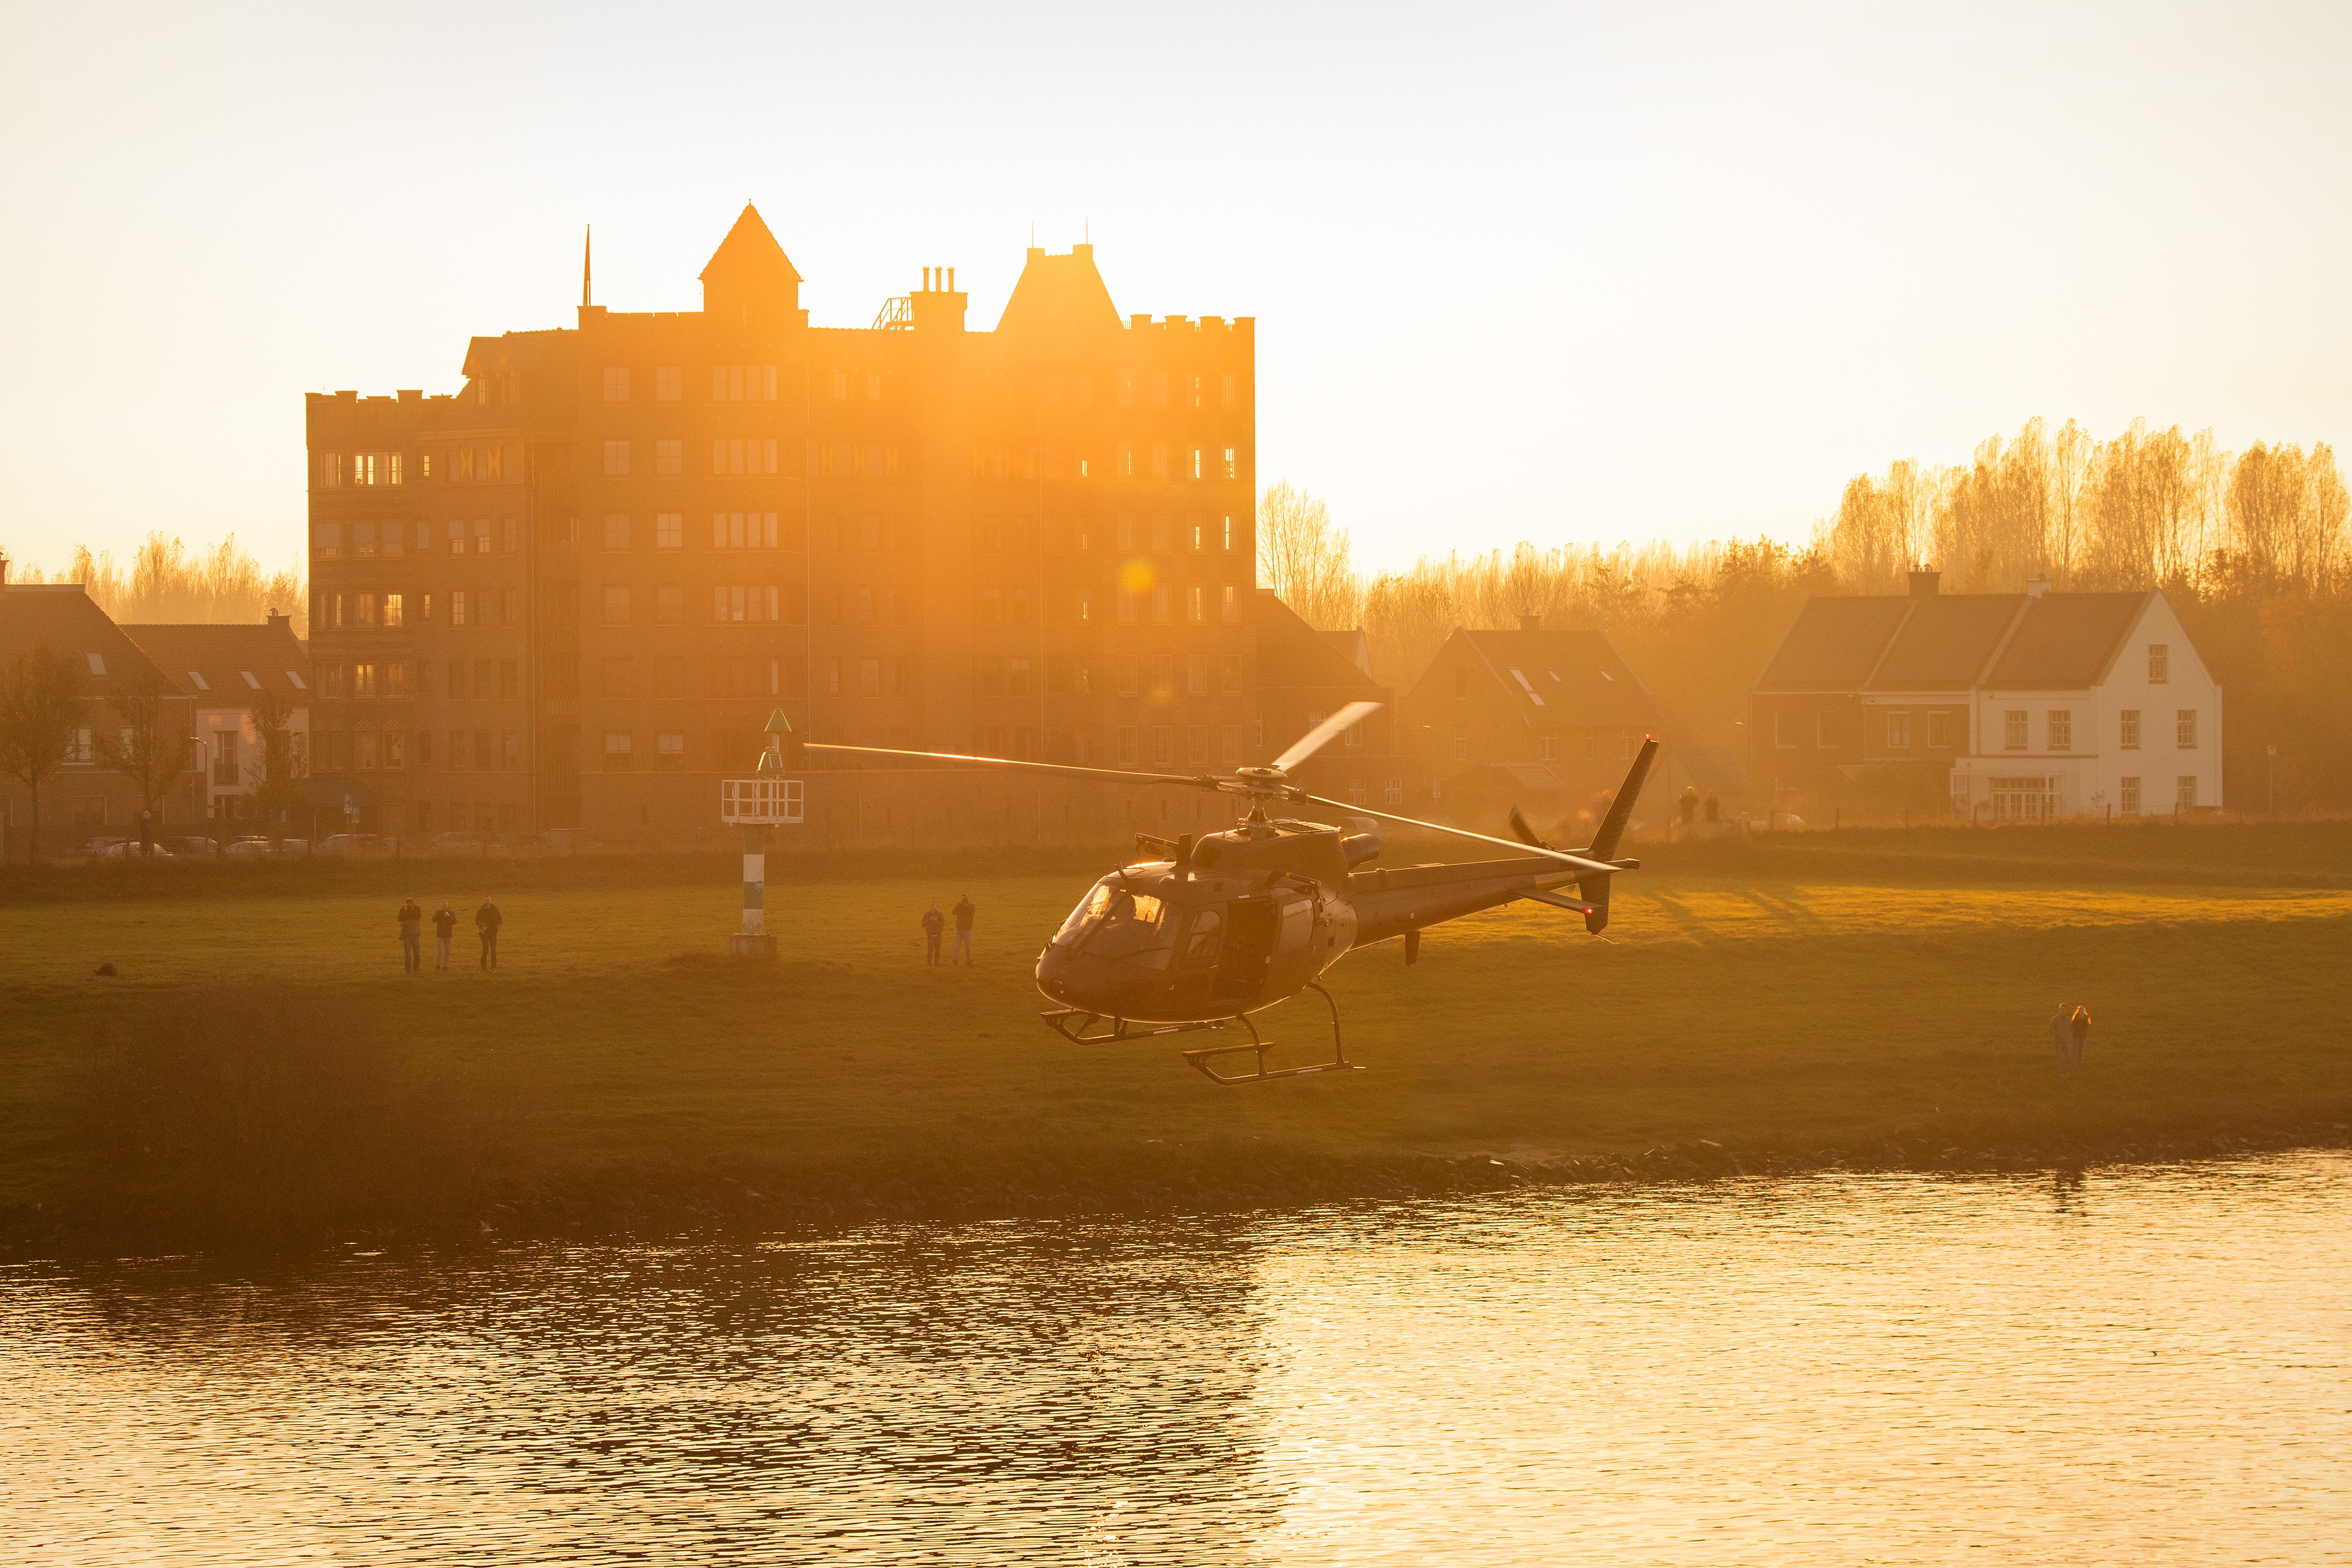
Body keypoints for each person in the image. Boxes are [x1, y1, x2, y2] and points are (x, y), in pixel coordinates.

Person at [397, 897, 423, 975]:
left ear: (413, 903)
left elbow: (418, 916)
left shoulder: (417, 908)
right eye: (407, 904)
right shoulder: (403, 909)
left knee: (417, 954)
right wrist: (405, 910)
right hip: (406, 935)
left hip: (415, 934)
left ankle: (416, 970)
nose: (409, 905)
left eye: (410, 904)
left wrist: (412, 910)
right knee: (408, 954)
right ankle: (408, 971)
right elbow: (399, 918)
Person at [476, 895, 503, 970]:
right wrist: (481, 924)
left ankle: (493, 967)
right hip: (484, 932)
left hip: (493, 932)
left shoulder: (495, 909)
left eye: (488, 900)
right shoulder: (480, 910)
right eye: (486, 901)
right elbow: (477, 921)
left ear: (490, 901)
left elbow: (499, 918)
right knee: (486, 950)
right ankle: (483, 966)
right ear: (483, 901)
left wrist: (499, 924)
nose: (487, 902)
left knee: (493, 950)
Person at [431, 901, 457, 971]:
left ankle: (445, 966)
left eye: (445, 905)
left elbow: (454, 922)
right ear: (441, 906)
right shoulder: (438, 912)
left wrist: (448, 916)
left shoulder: (451, 913)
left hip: (448, 935)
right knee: (440, 951)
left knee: (447, 951)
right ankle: (438, 965)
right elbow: (433, 920)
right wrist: (440, 914)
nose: (444, 907)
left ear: (447, 906)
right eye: (443, 905)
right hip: (440, 935)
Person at [951, 893, 976, 966]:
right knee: (957, 946)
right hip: (959, 929)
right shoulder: (959, 906)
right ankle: (955, 961)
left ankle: (968, 961)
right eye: (962, 898)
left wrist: (966, 905)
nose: (963, 900)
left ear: (967, 899)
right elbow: (954, 912)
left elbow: (972, 912)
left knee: (968, 947)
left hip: (968, 930)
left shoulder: (971, 906)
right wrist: (960, 904)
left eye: (964, 898)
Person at [2049, 1005, 2074, 1074]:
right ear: (2059, 1010)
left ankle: (2067, 1071)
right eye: (2061, 1009)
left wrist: (2069, 1037)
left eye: (2064, 1009)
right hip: (2059, 1041)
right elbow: (2051, 1029)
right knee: (2060, 1057)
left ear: (2066, 1010)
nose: (2062, 1011)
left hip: (2067, 1041)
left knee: (2069, 1056)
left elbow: (2071, 1029)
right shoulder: (2055, 1019)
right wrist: (2058, 1034)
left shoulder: (2068, 1019)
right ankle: (2060, 1072)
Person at [921, 902, 945, 966]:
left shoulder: (940, 914)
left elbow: (943, 923)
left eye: (934, 904)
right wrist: (929, 920)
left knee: (937, 949)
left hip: (938, 934)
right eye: (931, 904)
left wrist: (937, 921)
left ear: (936, 906)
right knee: (930, 949)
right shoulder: (926, 915)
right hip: (930, 934)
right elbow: (923, 924)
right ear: (930, 906)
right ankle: (929, 964)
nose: (933, 906)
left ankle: (936, 963)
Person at [2069, 1005, 2091, 1074]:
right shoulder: (2076, 1017)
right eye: (2080, 1011)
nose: (2081, 1013)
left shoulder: (2086, 1017)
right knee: (2076, 1051)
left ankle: (2079, 1065)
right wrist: (2079, 1019)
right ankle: (2075, 1066)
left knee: (2081, 1052)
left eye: (2082, 1011)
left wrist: (2083, 1019)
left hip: (2083, 1037)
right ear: (2078, 1012)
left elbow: (2087, 1025)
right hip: (2076, 1037)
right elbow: (2073, 1025)